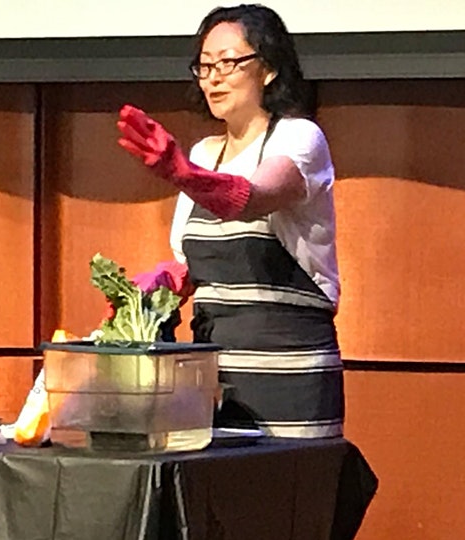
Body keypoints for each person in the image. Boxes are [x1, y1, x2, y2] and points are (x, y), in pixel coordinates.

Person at [116, 3, 343, 438]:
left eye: (229, 62)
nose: (213, 77)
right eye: (204, 66)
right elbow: (194, 266)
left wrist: (181, 173)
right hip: (214, 382)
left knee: (290, 499)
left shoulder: (298, 138)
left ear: (269, 69)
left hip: (290, 376)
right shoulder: (204, 153)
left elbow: (252, 199)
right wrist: (152, 289)